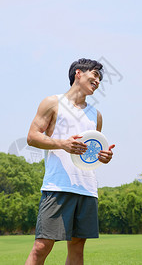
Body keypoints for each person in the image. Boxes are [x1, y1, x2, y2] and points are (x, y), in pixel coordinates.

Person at [25, 58, 115, 265]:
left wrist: (104, 157)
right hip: (58, 186)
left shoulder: (96, 115)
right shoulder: (52, 102)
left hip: (87, 189)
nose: (98, 81)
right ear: (78, 73)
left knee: (77, 249)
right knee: (41, 246)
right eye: (95, 75)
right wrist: (62, 144)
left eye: (100, 78)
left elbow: (92, 154)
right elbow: (32, 137)